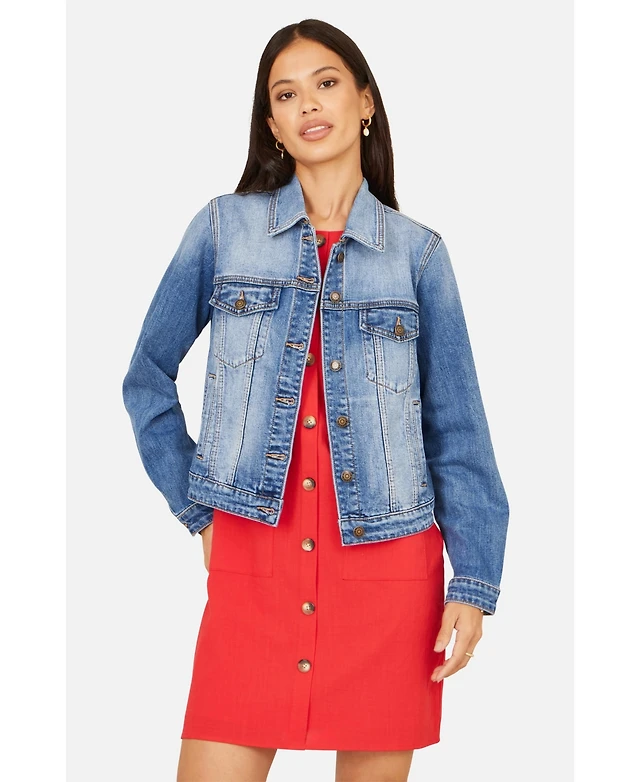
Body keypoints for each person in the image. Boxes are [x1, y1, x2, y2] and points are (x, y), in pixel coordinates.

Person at [122, 18, 510, 782]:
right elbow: (145, 376)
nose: (308, 104)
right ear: (272, 125)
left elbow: (457, 428)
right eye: (285, 94)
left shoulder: (419, 254)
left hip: (387, 572)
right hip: (253, 565)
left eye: (326, 83)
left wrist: (474, 581)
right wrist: (199, 507)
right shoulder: (224, 230)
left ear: (365, 101)